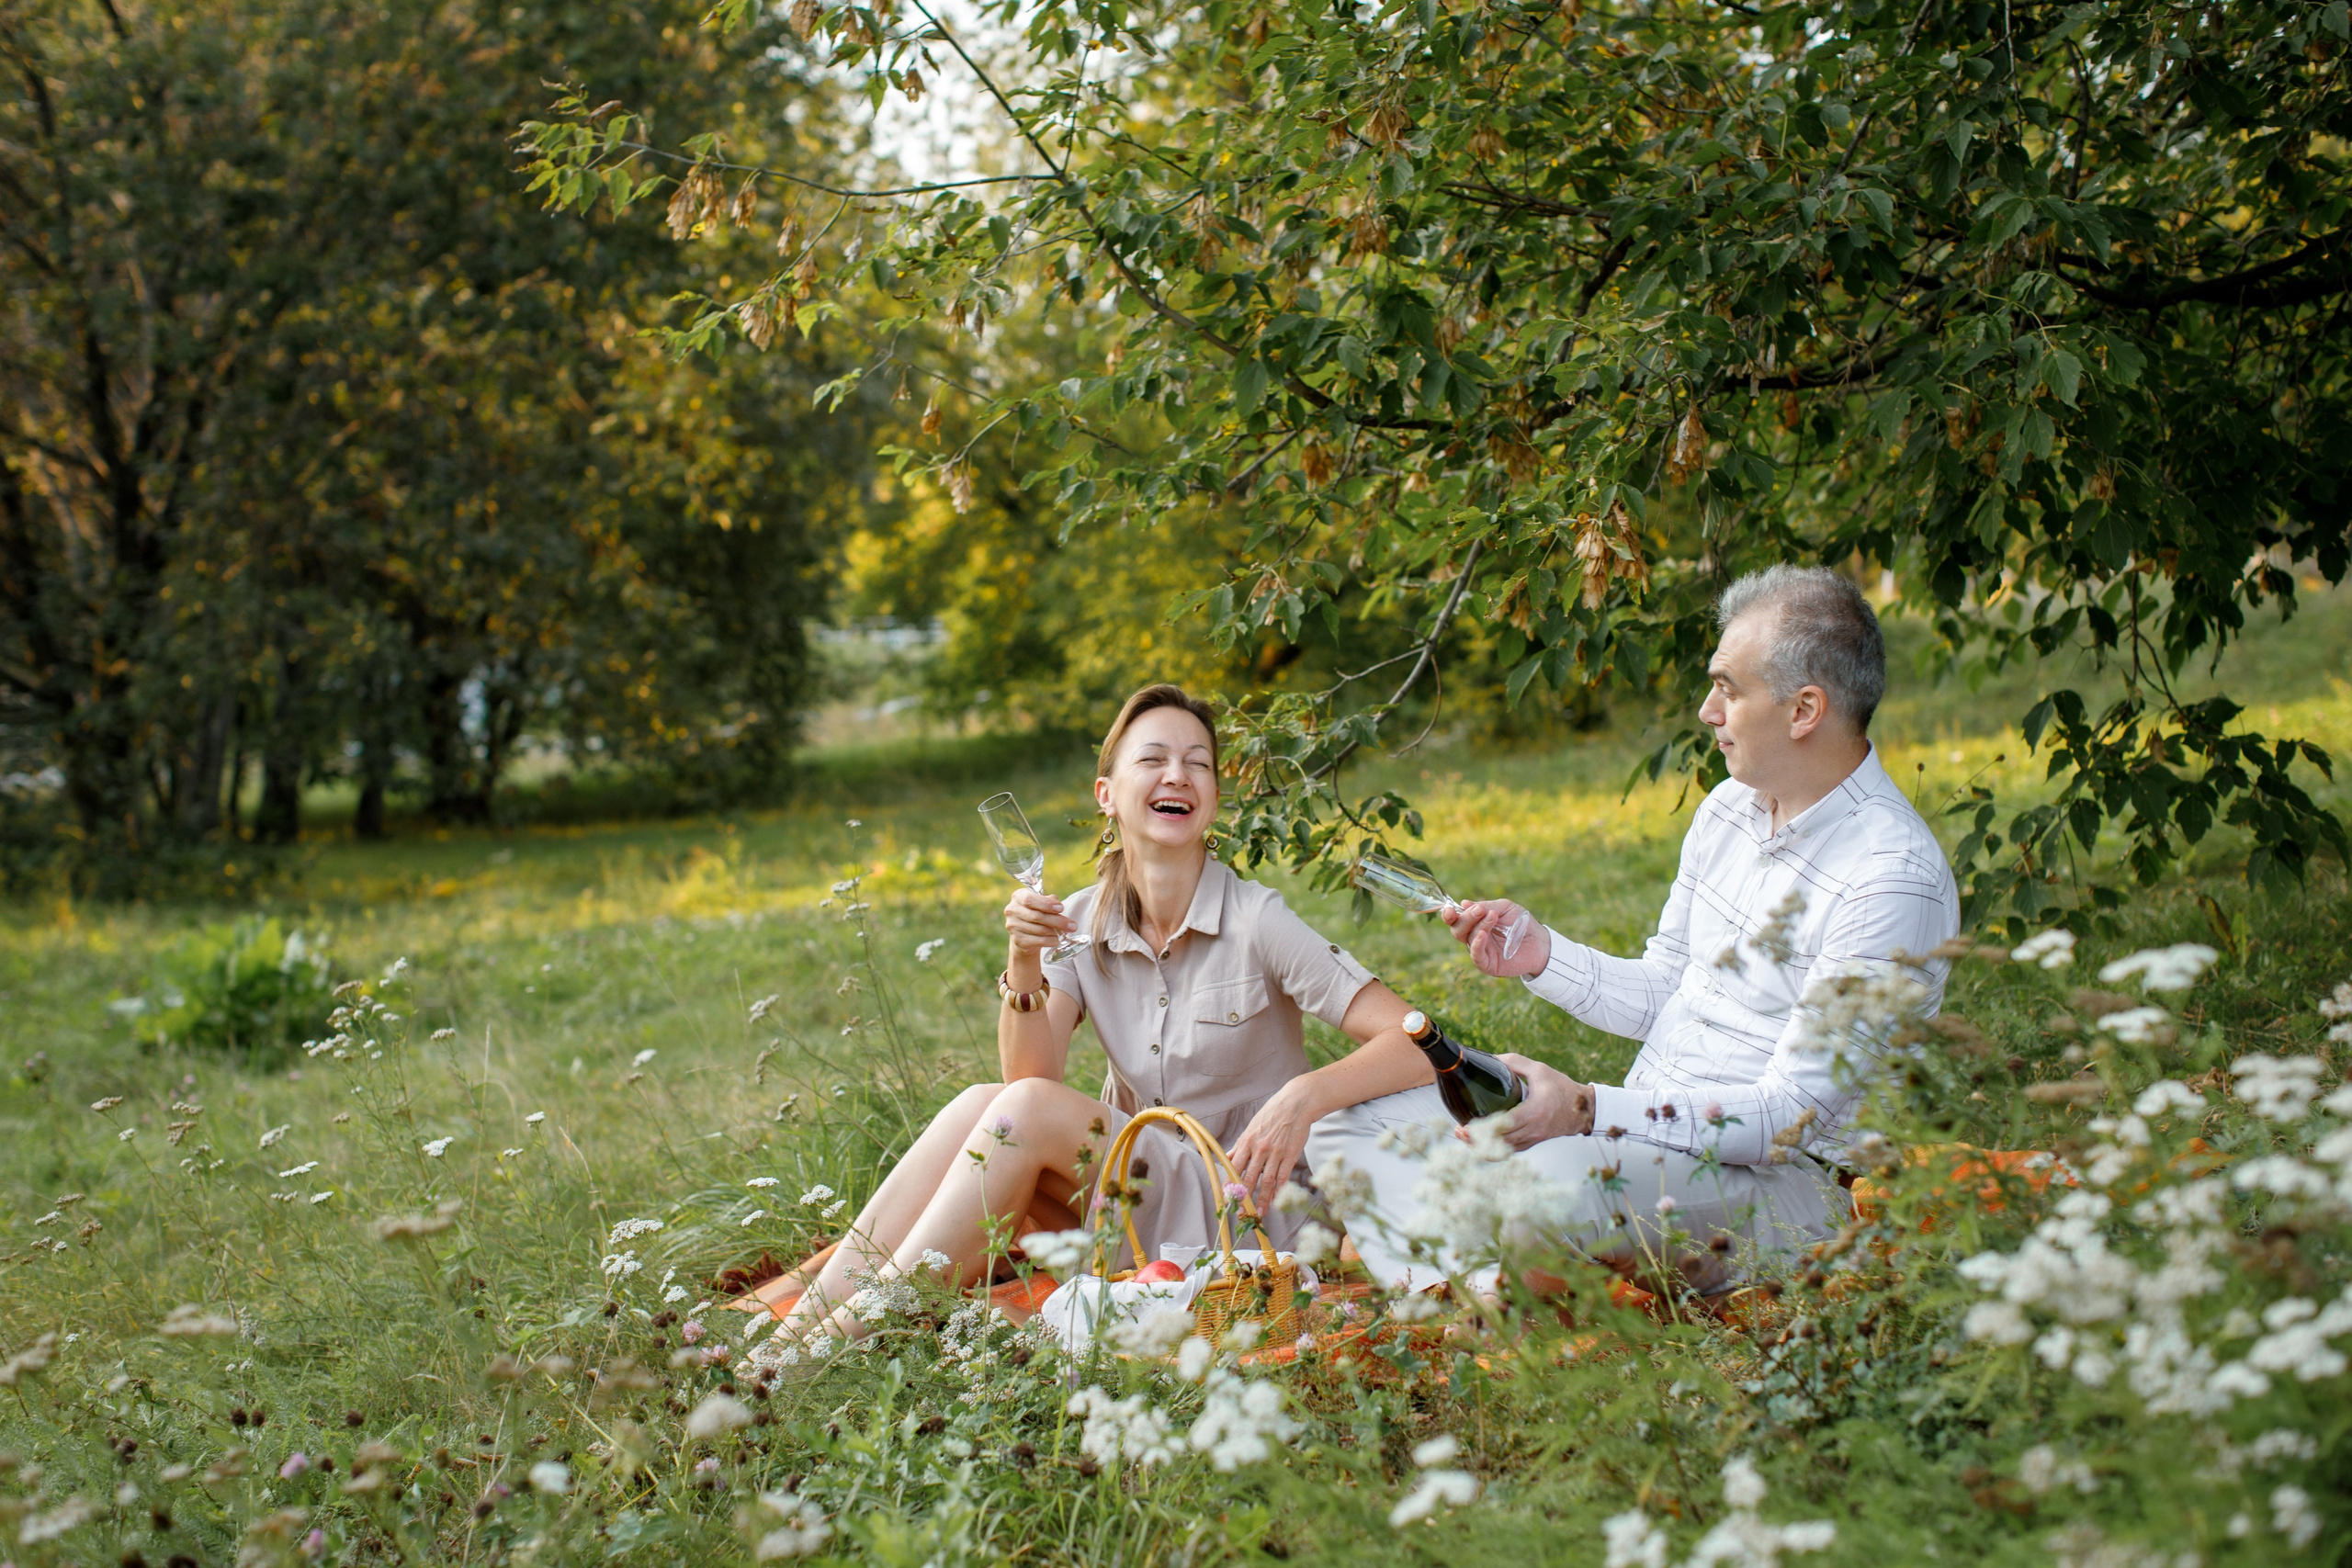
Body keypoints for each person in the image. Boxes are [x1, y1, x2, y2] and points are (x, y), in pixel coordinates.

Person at [1306, 567, 1962, 1295]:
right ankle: (1475, 1285)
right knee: (1350, 1126)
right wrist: (1542, 954)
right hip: (1638, 1139)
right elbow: (1666, 990)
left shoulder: (1888, 876)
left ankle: (1476, 1287)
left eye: (1728, 688)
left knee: (1542, 1184)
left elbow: (1787, 1119)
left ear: (1805, 709)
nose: (1708, 710)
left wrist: (1587, 1109)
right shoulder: (1728, 810)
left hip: (1785, 1191)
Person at [770, 683, 1427, 1347]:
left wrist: (1305, 1096)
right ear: (1106, 794)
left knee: (1016, 1111)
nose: (1179, 774)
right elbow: (1030, 1076)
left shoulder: (1258, 919)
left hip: (1252, 1220)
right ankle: (794, 1334)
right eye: (1155, 759)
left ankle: (833, 1343)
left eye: (1198, 762)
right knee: (984, 1102)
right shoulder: (1082, 921)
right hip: (1136, 1203)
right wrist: (1024, 959)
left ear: (1213, 802)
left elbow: (1418, 1041)